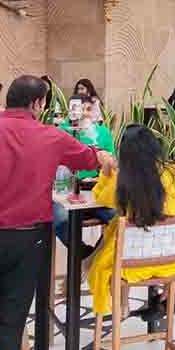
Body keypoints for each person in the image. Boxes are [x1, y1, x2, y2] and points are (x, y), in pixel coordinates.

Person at [0, 75, 114, 350]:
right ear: (37, 103)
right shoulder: (52, 137)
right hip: (29, 241)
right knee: (12, 323)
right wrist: (102, 156)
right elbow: (87, 160)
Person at [86, 124, 175, 315]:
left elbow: (100, 197)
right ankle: (171, 291)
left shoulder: (123, 181)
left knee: (105, 257)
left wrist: (107, 171)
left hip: (131, 267)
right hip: (172, 262)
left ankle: (121, 306)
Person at [52, 94, 117, 258]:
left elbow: (112, 162)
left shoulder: (101, 132)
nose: (88, 114)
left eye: (90, 109)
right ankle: (83, 253)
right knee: (60, 219)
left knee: (117, 217)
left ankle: (98, 255)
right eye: (84, 109)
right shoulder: (62, 132)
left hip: (95, 190)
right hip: (65, 191)